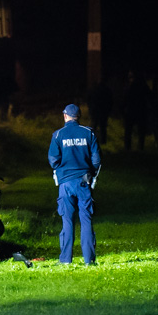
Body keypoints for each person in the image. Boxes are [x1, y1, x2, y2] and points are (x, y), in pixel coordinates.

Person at [48, 104, 102, 265]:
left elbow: (53, 160)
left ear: (65, 116)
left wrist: (63, 169)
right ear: (79, 116)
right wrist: (90, 173)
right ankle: (89, 260)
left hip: (65, 183)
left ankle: (65, 260)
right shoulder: (88, 133)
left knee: (67, 221)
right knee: (86, 219)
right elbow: (97, 160)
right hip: (84, 181)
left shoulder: (58, 135)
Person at [122, 70, 151, 151]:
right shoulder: (142, 85)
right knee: (139, 130)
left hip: (133, 110)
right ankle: (139, 147)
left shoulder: (130, 86)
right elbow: (149, 96)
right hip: (139, 110)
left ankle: (128, 147)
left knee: (130, 130)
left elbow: (125, 98)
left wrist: (123, 108)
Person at [87, 80, 113, 144]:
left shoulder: (95, 90)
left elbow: (90, 100)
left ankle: (92, 141)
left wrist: (91, 109)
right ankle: (103, 142)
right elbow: (110, 101)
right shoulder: (107, 91)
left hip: (96, 111)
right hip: (103, 111)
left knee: (94, 127)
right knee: (102, 128)